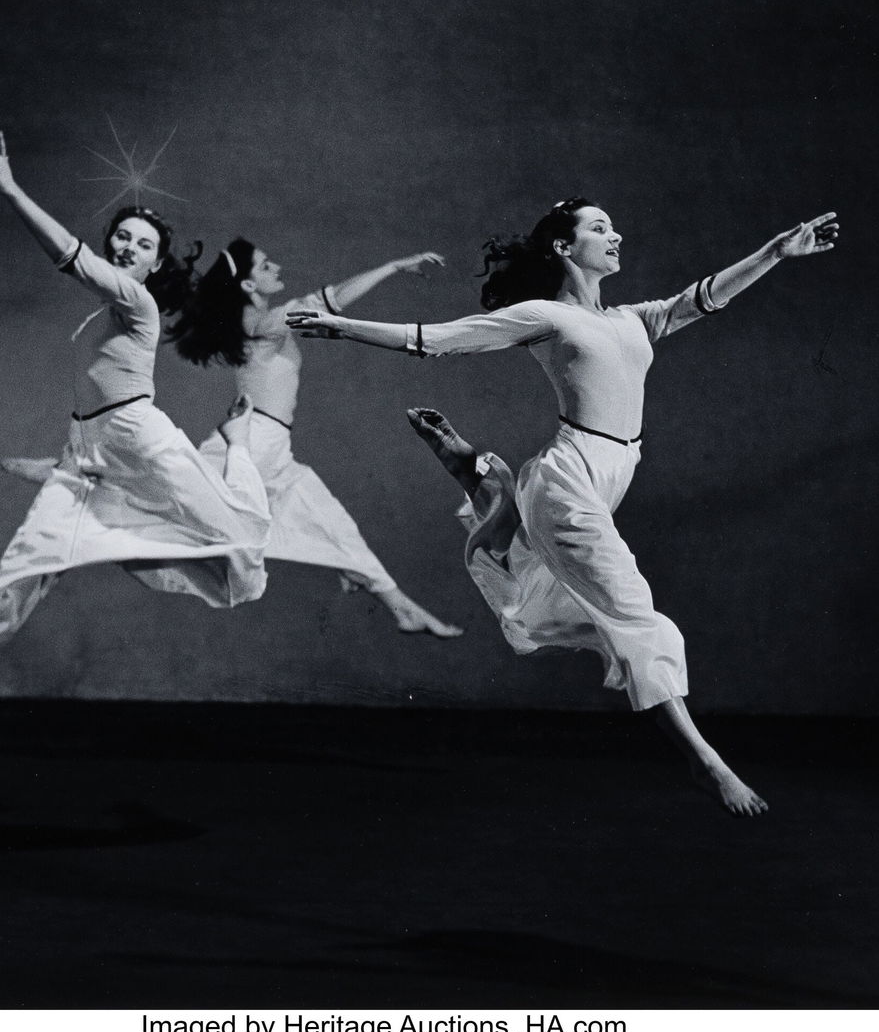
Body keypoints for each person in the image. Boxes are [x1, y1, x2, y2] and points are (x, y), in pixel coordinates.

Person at [288, 199, 841, 816]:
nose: (616, 234)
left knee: (569, 591)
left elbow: (704, 298)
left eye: (614, 226)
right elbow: (439, 340)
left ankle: (473, 472)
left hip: (606, 481)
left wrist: (774, 254)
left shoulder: (634, 319)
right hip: (569, 480)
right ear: (562, 246)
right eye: (599, 227)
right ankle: (705, 763)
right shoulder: (545, 315)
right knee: (636, 613)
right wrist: (344, 326)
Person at [0, 133, 272, 724]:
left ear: (154, 263)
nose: (128, 246)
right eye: (122, 236)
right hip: (91, 452)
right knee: (31, 559)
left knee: (240, 546)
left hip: (141, 440)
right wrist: (64, 460)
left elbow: (68, 256)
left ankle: (237, 447)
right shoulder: (104, 313)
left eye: (142, 243)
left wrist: (11, 189)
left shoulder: (136, 301)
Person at [3, 238, 463, 637]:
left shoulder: (263, 323)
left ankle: (402, 608)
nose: (276, 269)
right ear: (246, 285)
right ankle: (81, 482)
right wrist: (395, 266)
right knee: (198, 540)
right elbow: (332, 299)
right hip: (251, 442)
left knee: (331, 524)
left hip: (272, 448)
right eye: (265, 266)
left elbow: (322, 311)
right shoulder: (257, 320)